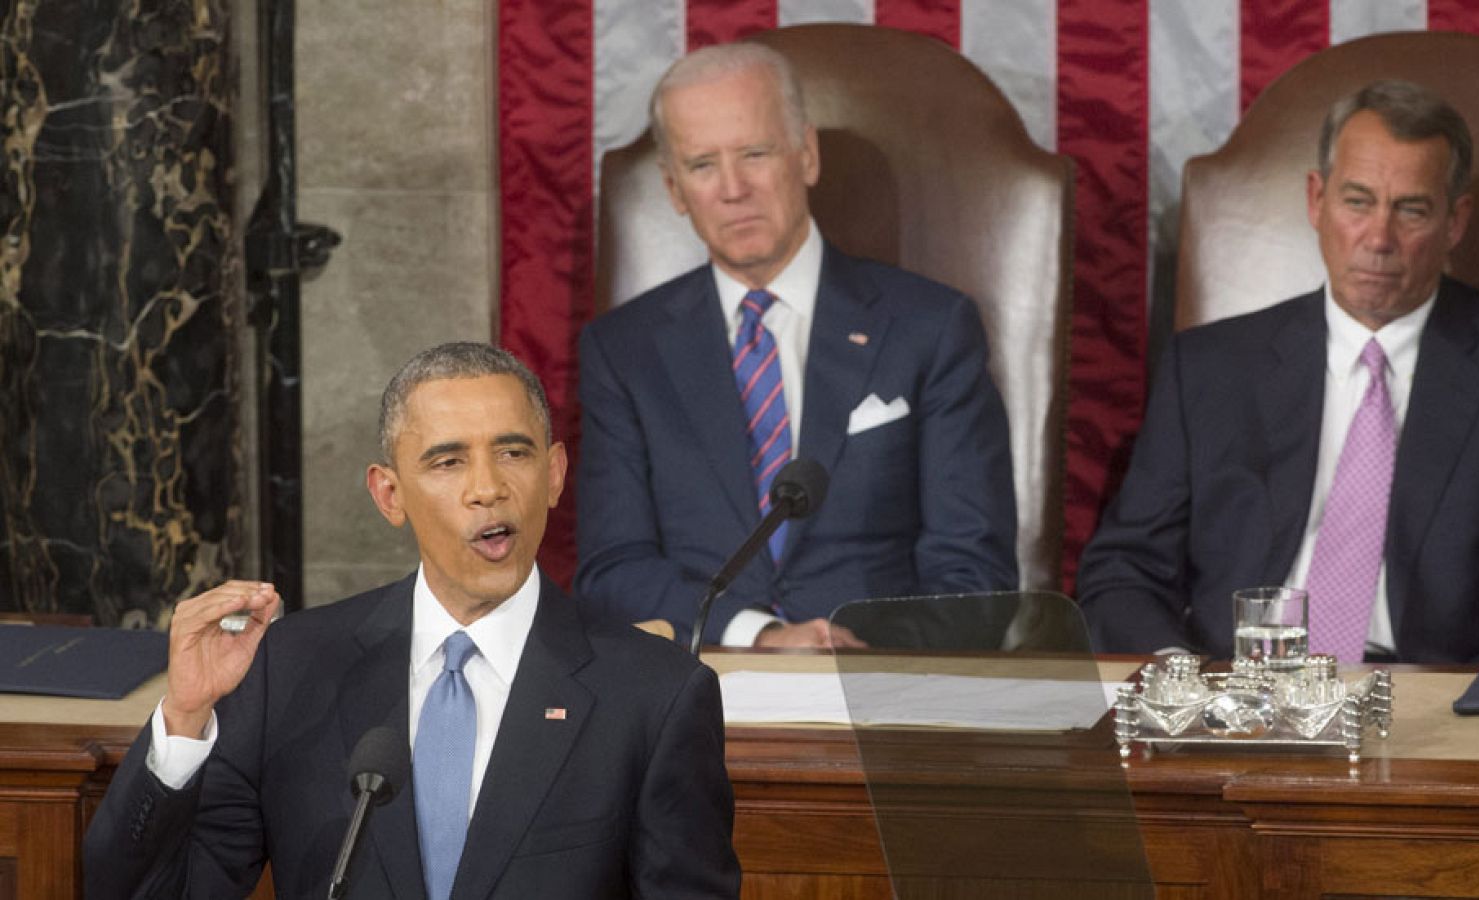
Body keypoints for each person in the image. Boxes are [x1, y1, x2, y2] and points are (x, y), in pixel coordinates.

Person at [84, 343, 739, 898]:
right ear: (389, 494)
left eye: (513, 453)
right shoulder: (290, 667)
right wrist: (185, 718)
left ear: (555, 473)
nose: (487, 487)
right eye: (448, 461)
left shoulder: (656, 696)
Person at [1078, 79, 1479, 664]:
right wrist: (1190, 684)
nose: (1379, 239)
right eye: (1357, 201)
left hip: (1441, 709)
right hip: (1238, 691)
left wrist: (1471, 699)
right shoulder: (1208, 369)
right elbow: (1123, 570)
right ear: (1316, 200)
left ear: (1455, 222)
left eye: (1411, 209)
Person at [576, 42, 1018, 649]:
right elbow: (613, 568)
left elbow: (975, 572)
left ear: (806, 155)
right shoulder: (623, 351)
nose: (733, 189)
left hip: (879, 689)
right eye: (703, 165)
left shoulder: (930, 328)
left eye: (755, 154)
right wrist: (756, 635)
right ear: (675, 190)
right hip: (702, 687)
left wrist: (859, 652)